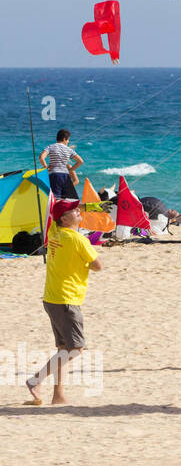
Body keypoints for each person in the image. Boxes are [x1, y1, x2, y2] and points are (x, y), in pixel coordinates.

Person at [25, 200, 102, 405]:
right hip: (66, 299)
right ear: (64, 219)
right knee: (76, 348)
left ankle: (58, 396)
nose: (79, 211)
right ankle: (35, 380)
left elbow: (61, 214)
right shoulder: (78, 239)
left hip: (51, 298)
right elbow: (98, 266)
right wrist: (86, 260)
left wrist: (80, 210)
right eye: (74, 210)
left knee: (63, 349)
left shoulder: (53, 232)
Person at [39, 128, 83, 199]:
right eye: (68, 139)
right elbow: (80, 161)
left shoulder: (51, 147)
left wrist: (45, 167)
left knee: (56, 199)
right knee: (67, 200)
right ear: (64, 139)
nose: (68, 142)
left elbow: (41, 157)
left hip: (54, 175)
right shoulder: (69, 149)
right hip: (65, 176)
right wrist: (70, 170)